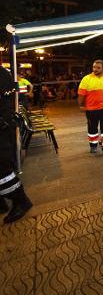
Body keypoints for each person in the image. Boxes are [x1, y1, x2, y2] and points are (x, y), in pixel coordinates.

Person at [0, 67, 33, 224]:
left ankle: (20, 200)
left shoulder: (2, 74)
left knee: (2, 171)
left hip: (2, 128)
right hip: (4, 126)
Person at [78, 60, 103, 156]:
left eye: (98, 68)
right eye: (94, 67)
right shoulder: (86, 79)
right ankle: (93, 146)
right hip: (91, 109)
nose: (95, 69)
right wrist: (81, 105)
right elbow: (81, 94)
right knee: (92, 128)